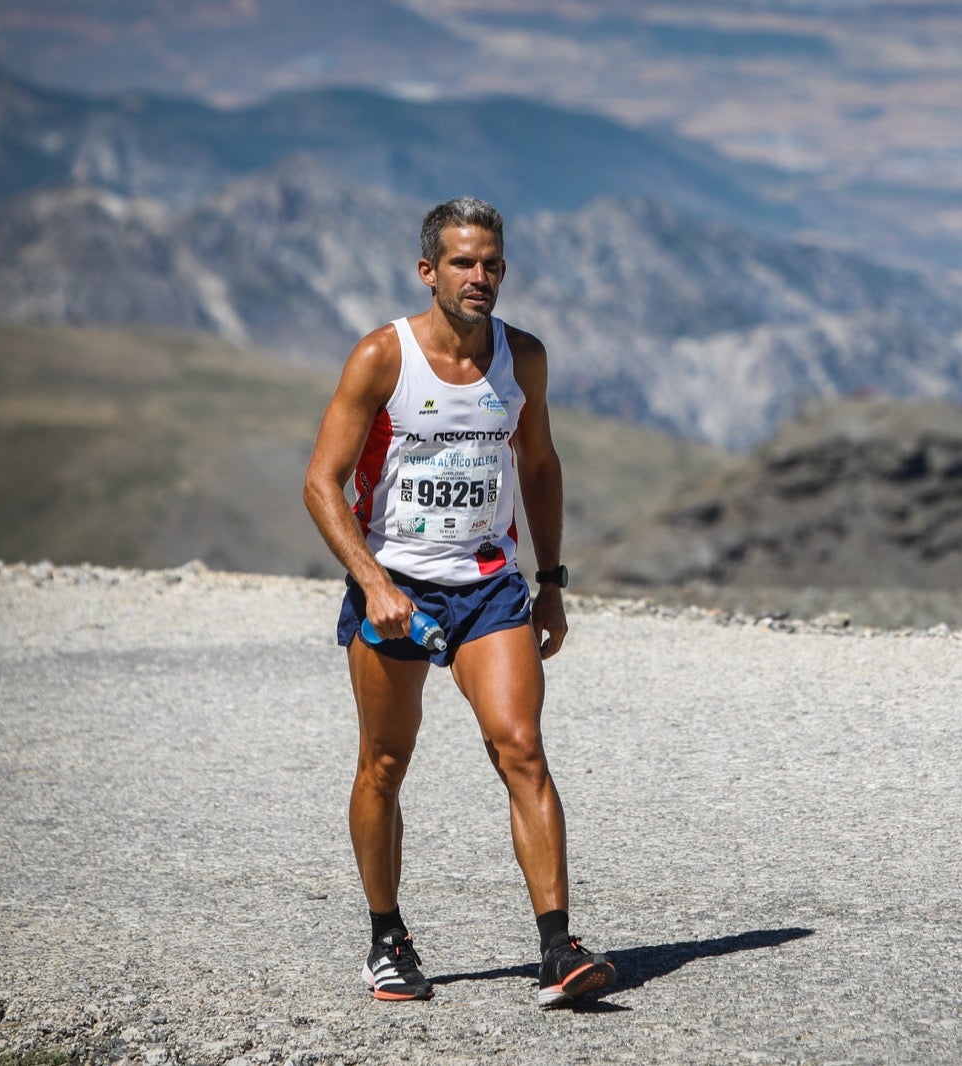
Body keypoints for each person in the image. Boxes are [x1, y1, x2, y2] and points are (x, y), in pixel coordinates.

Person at [302, 196, 615, 1008]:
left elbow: (539, 468)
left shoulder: (524, 358)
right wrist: (373, 582)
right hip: (396, 587)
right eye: (464, 263)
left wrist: (549, 585)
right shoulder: (382, 357)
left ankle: (557, 947)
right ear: (428, 271)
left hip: (490, 589)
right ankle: (387, 939)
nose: (480, 278)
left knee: (521, 747)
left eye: (493, 264)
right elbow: (320, 482)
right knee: (383, 762)